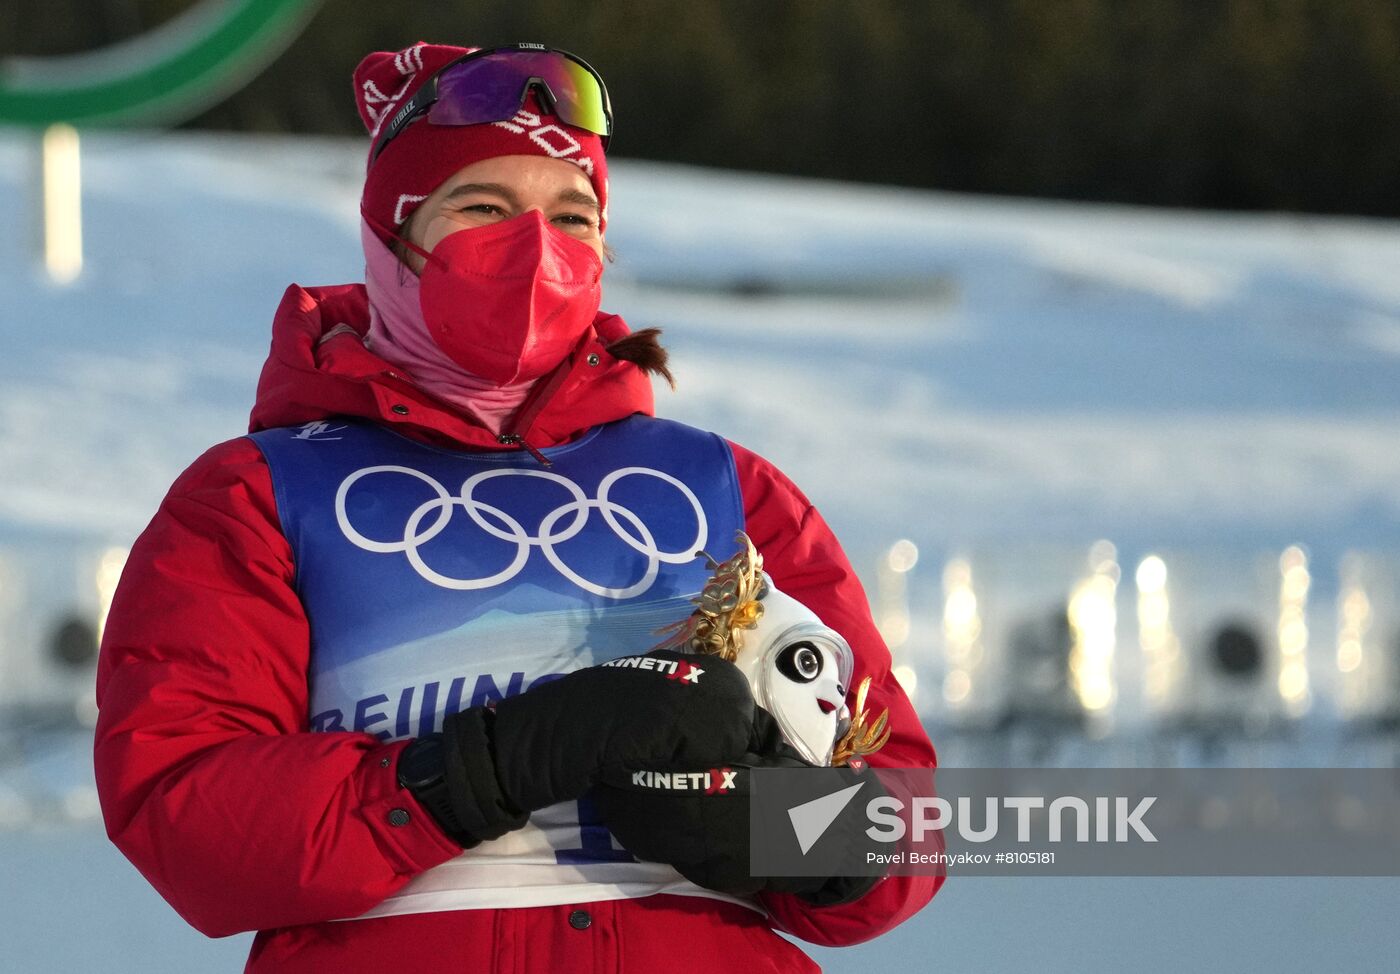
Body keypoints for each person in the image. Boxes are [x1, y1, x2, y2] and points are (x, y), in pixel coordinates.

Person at [93, 41, 942, 973]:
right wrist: (488, 767)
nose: (536, 247)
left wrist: (778, 833)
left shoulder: (726, 487)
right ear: (394, 236)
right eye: (484, 208)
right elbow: (187, 820)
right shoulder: (258, 495)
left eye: (573, 216)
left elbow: (906, 826)